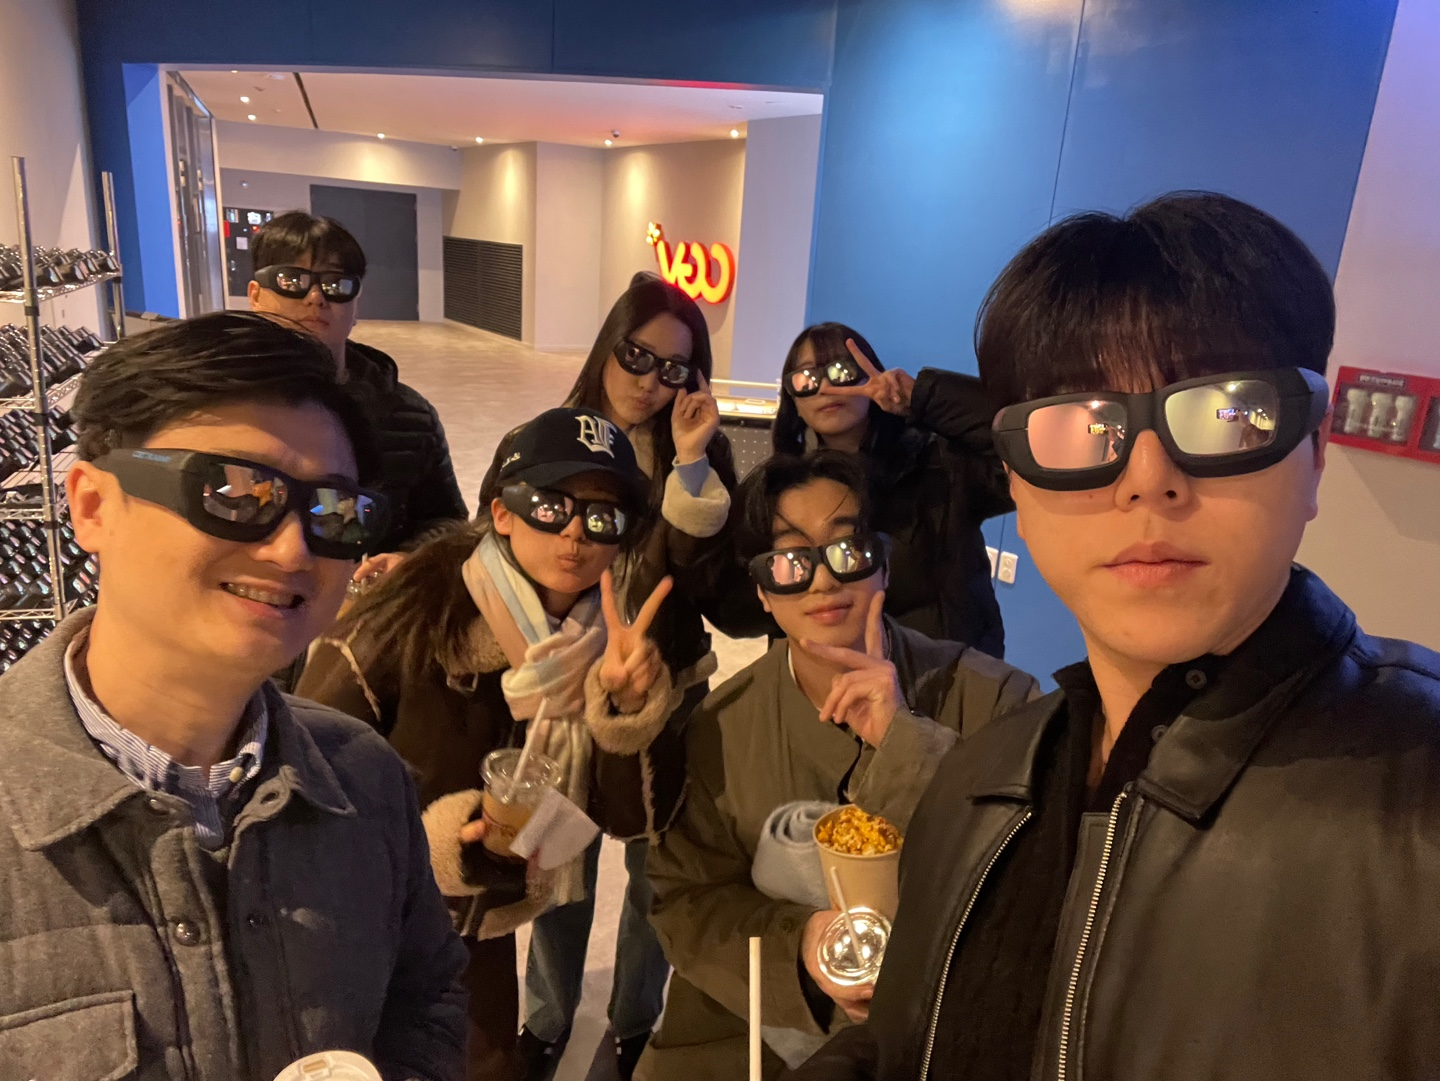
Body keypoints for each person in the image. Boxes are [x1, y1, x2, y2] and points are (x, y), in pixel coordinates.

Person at [788, 192, 1440, 1081]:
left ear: (1315, 451)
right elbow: (923, 1035)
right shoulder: (983, 780)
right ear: (1017, 482)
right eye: (1082, 427)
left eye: (1224, 412)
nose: (1147, 478)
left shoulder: (1415, 799)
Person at [0, 311, 468, 1080]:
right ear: (92, 504)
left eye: (333, 511)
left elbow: (426, 995)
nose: (291, 549)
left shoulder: (364, 778)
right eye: (234, 491)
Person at [297, 407, 684, 1081]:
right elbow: (303, 784)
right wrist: (441, 843)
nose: (575, 533)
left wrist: (624, 709)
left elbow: (631, 820)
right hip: (365, 922)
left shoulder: (605, 642)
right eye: (551, 505)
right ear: (502, 512)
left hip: (481, 929)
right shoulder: (410, 615)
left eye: (603, 517)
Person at [636, 450, 1039, 1081]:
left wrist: (906, 743)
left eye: (847, 551)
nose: (823, 581)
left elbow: (1028, 891)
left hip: (934, 1026)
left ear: (883, 567)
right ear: (763, 593)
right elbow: (686, 901)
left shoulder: (997, 701)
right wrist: (801, 947)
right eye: (790, 562)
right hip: (748, 1033)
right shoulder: (721, 727)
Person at [504, 274, 755, 1080]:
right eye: (636, 356)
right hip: (570, 692)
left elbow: (711, 589)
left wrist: (690, 465)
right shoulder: (548, 441)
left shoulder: (702, 459)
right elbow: (499, 545)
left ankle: (635, 1021)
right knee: (561, 867)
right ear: (608, 346)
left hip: (669, 689)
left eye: (673, 368)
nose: (650, 381)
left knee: (655, 875)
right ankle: (546, 1015)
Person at [772, 323, 1013, 656]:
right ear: (793, 400)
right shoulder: (785, 491)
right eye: (806, 379)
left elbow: (1020, 441)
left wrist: (921, 398)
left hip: (950, 672)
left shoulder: (939, 462)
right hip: (835, 673)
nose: (825, 387)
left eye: (841, 372)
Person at [249, 209, 467, 574]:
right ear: (256, 295)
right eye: (293, 280)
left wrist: (409, 561)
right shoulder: (218, 406)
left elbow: (446, 520)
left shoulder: (409, 415)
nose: (316, 297)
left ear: (355, 307)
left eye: (336, 284)